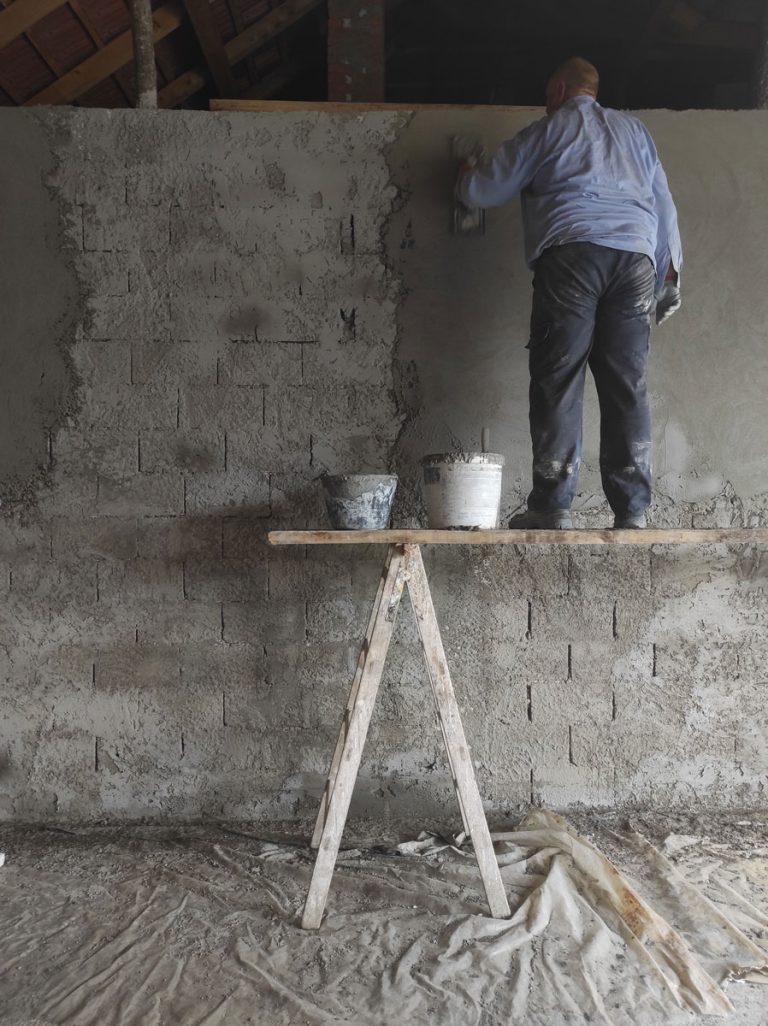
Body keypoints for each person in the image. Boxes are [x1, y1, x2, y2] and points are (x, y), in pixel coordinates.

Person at [456, 57, 682, 529]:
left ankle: (552, 506)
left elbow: (483, 192)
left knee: (559, 378)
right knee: (627, 384)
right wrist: (668, 275)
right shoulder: (636, 132)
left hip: (574, 254)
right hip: (636, 260)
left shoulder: (548, 130)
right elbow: (664, 205)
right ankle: (633, 511)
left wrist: (466, 173)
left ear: (559, 89)